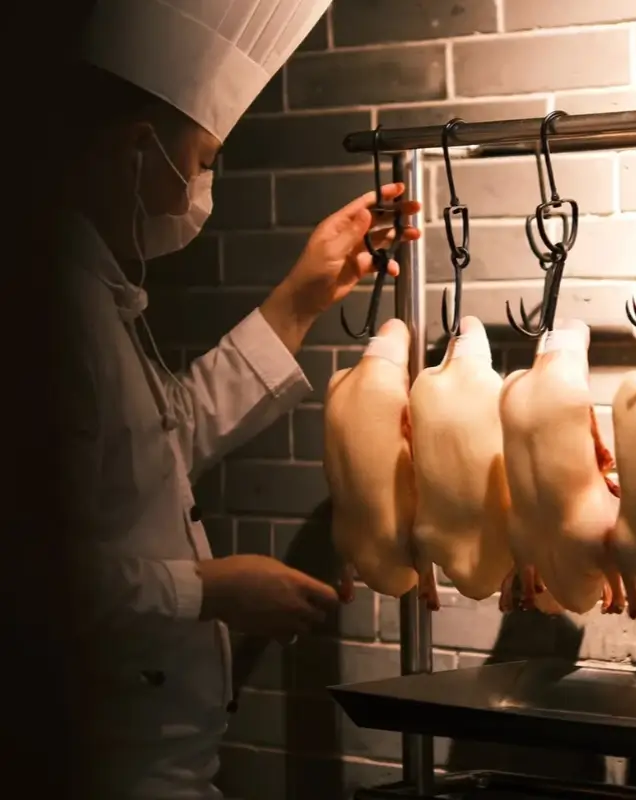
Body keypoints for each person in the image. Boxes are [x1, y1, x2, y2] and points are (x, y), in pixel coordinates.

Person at [56, 1, 421, 797]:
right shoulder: (48, 311)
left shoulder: (98, 293)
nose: (205, 179)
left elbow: (159, 443)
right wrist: (213, 590)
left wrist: (298, 299)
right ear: (137, 148)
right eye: (207, 155)